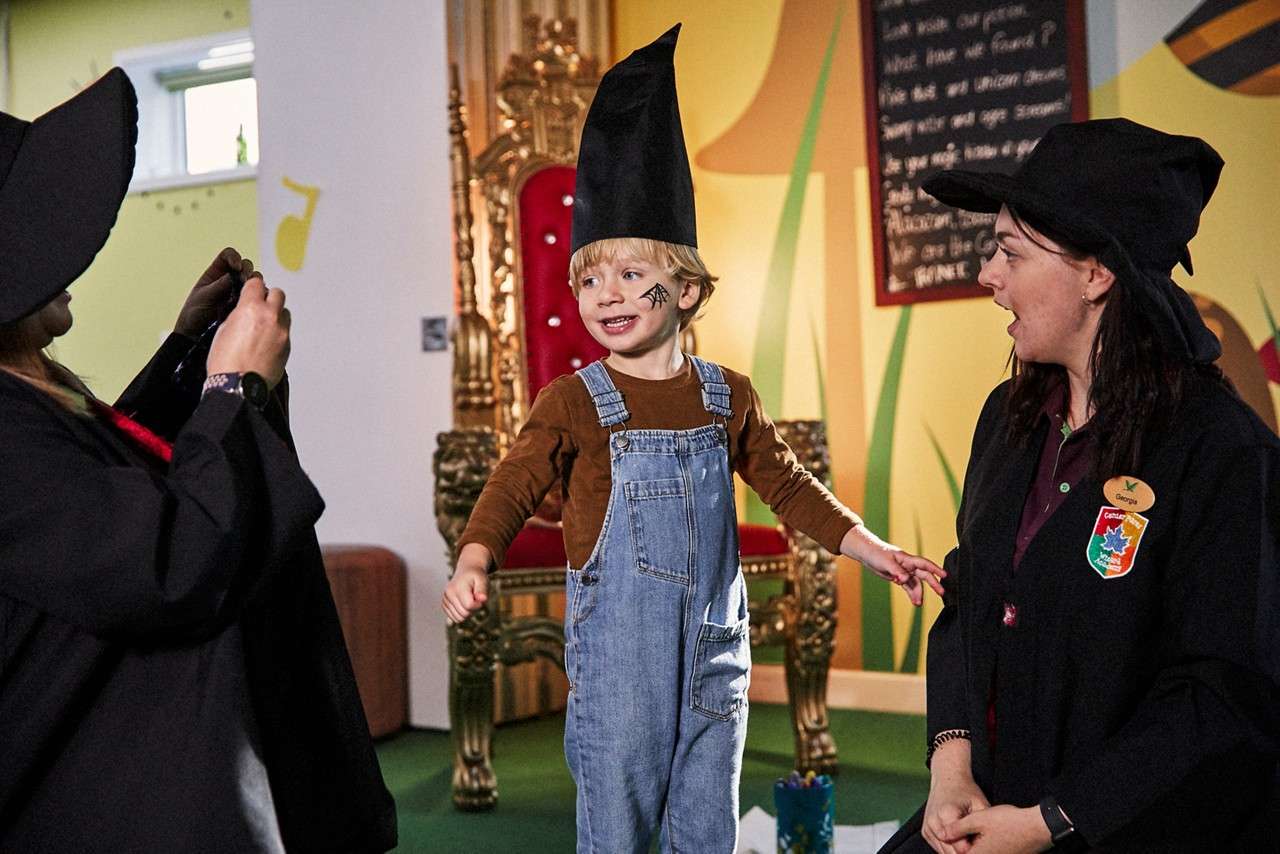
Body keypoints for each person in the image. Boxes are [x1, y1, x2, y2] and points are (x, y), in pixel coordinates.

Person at [440, 24, 945, 853]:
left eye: (632, 274)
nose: (607, 294)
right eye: (591, 277)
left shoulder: (726, 397)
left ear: (686, 287)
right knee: (621, 818)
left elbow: (788, 486)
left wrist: (870, 546)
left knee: (705, 819)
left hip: (717, 652)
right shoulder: (574, 401)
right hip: (619, 671)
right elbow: (513, 482)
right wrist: (474, 557)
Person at [0, 70, 397, 852]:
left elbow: (105, 482)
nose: (70, 255)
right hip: (100, 790)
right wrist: (233, 383)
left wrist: (190, 354)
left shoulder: (26, 390)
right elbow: (165, 560)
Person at [878, 119, 1280, 854]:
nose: (988, 276)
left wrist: (1052, 822)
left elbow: (1222, 696)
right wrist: (951, 761)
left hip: (1123, 830)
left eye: (1009, 251)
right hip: (986, 808)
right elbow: (969, 596)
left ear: (1097, 274)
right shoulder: (1011, 418)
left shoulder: (1223, 453)